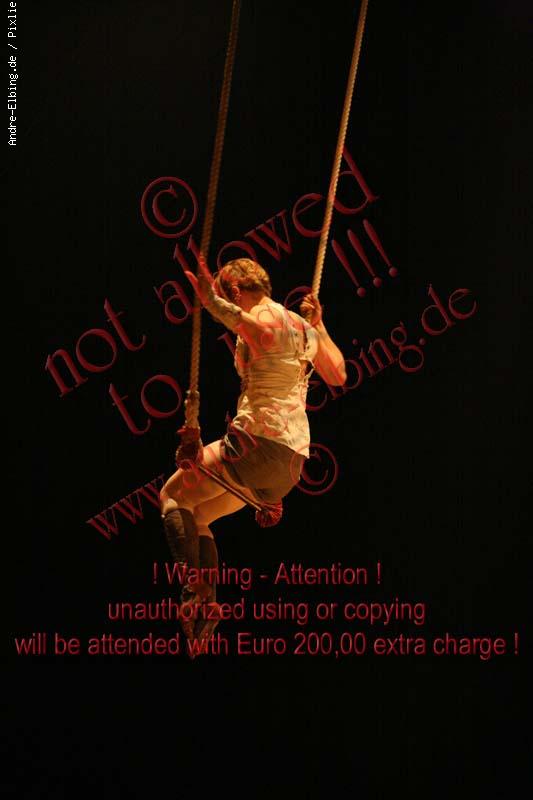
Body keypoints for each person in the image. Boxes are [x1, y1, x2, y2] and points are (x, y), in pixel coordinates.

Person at [159, 258, 347, 644]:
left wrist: (211, 302)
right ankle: (209, 601)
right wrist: (320, 327)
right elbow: (338, 374)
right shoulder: (303, 328)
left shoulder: (267, 319)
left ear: (236, 292)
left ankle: (193, 589)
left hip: (255, 446)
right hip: (290, 464)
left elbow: (258, 331)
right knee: (200, 517)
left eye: (229, 297)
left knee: (172, 497)